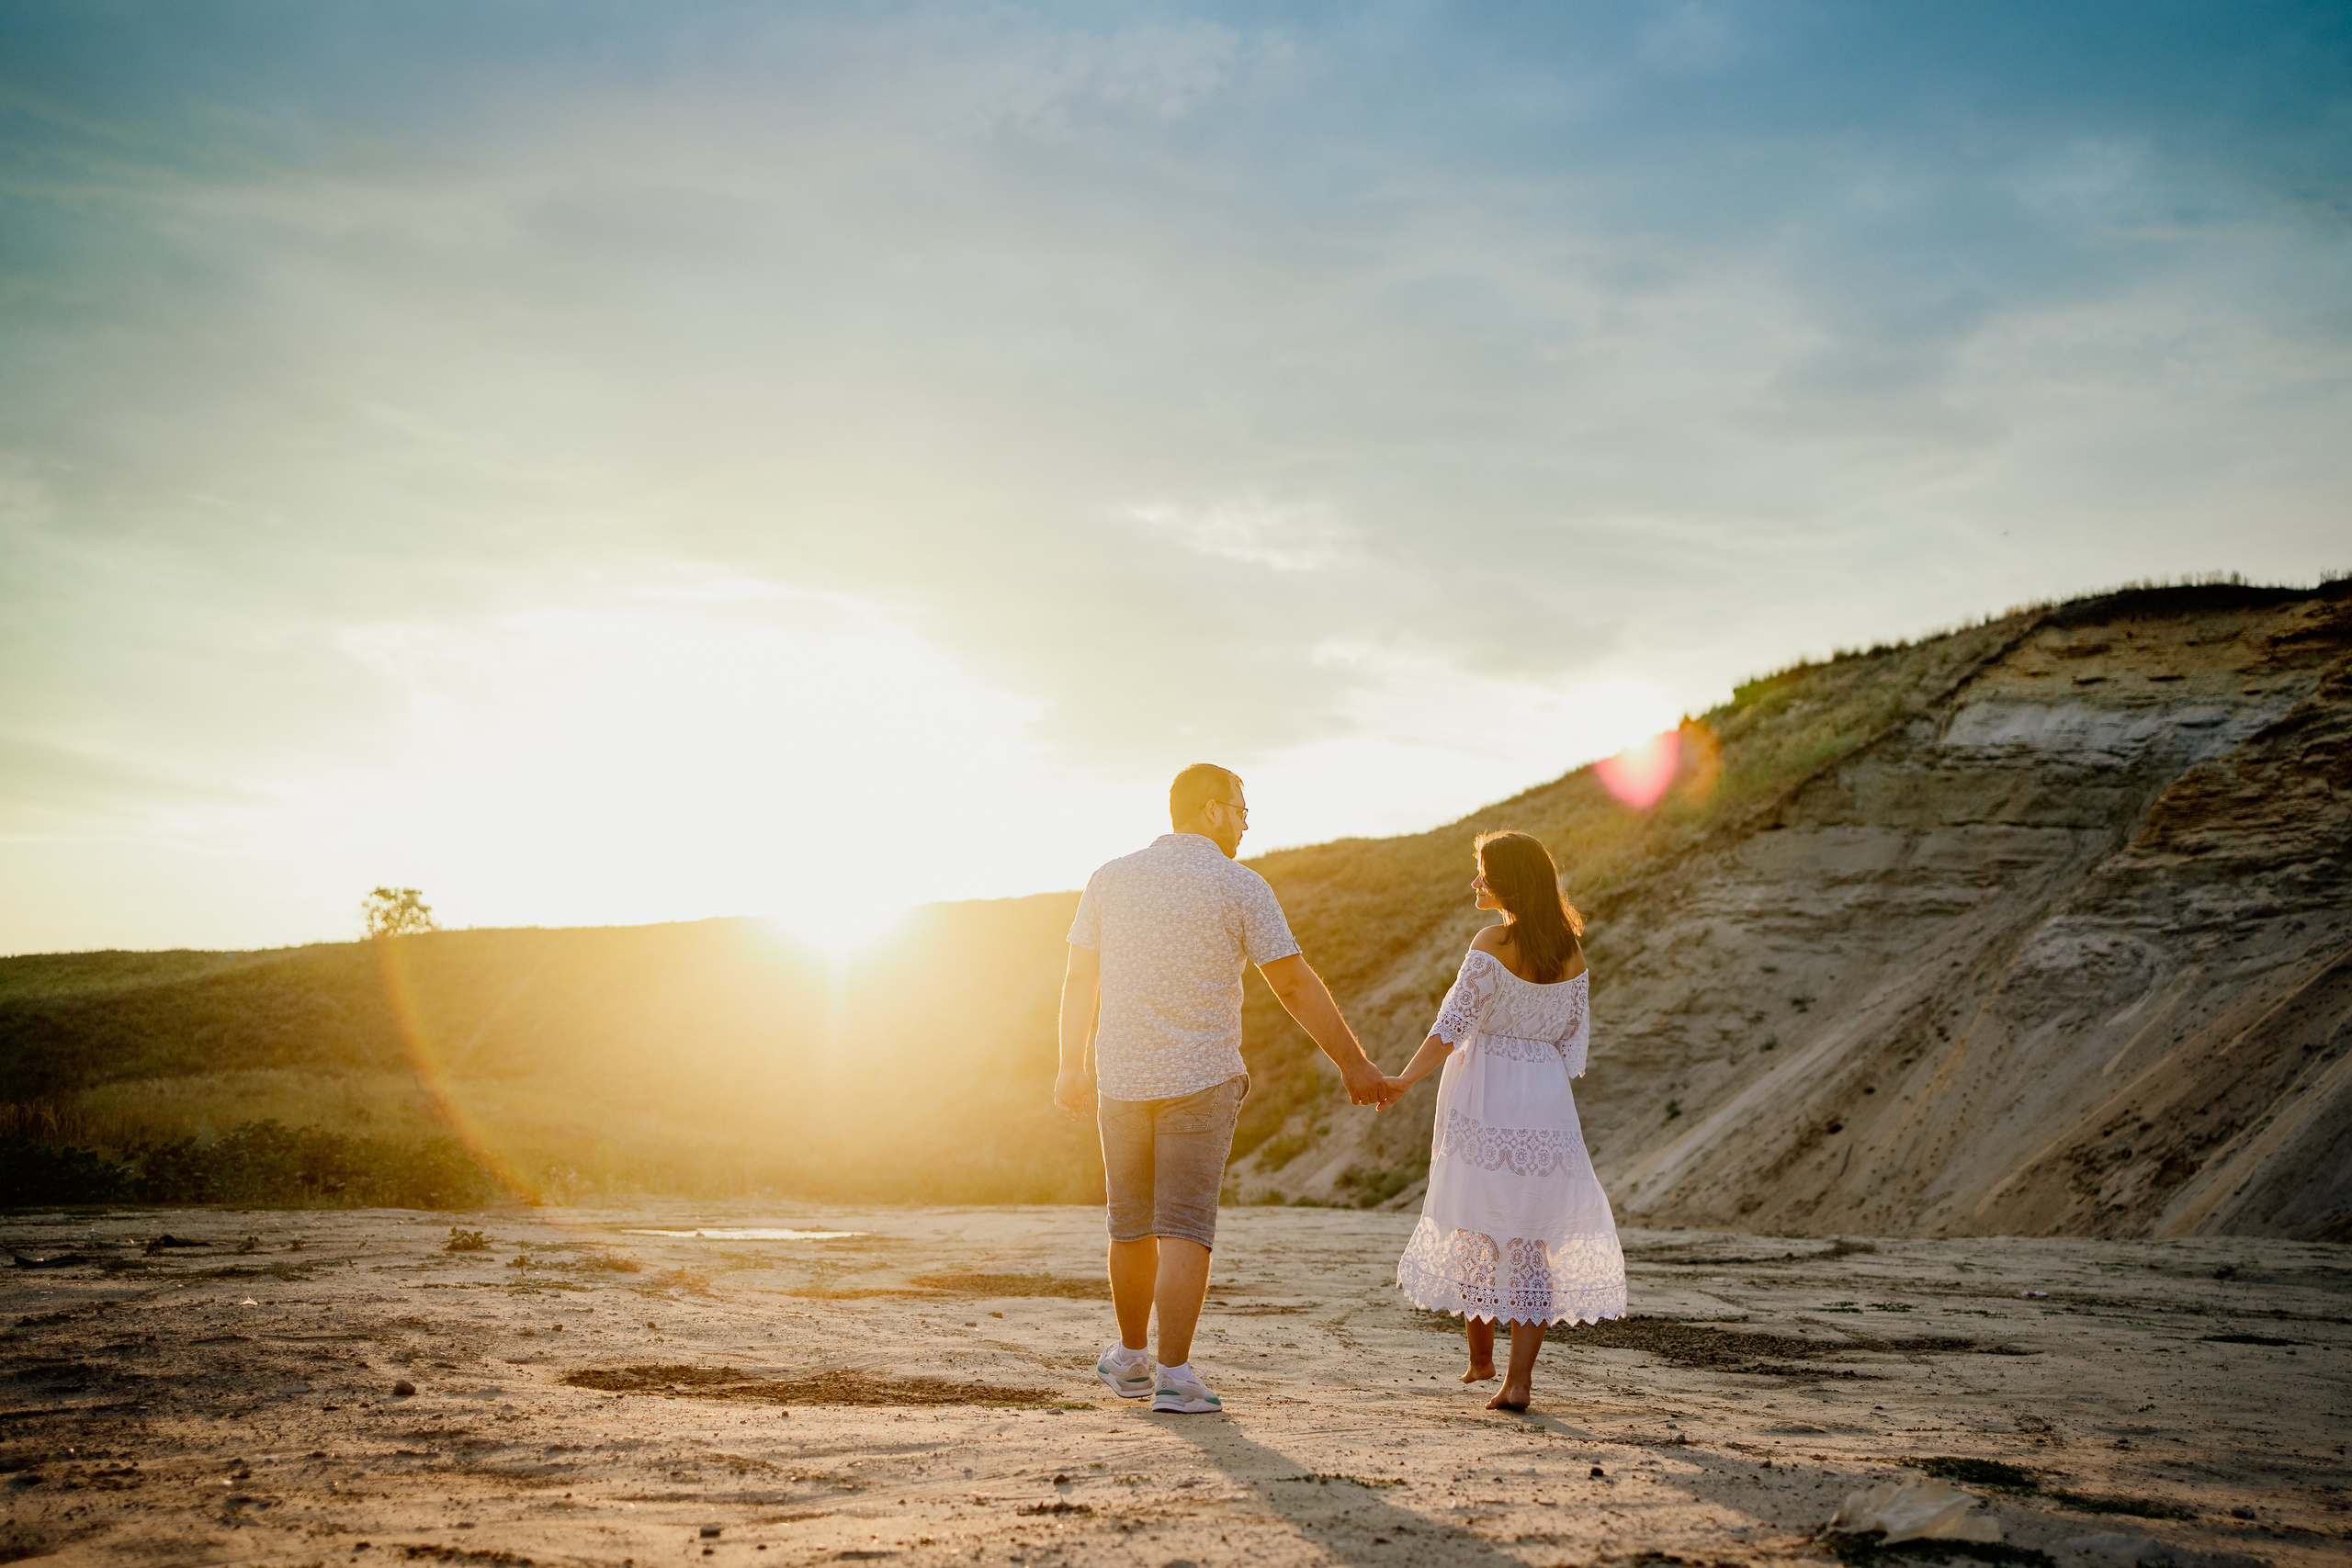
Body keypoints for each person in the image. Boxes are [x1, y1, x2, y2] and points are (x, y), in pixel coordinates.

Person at [1054, 762, 1390, 1415]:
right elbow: (1291, 984)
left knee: (1129, 1226)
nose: (1245, 822)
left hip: (1121, 1079)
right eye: (1240, 809)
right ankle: (1175, 1374)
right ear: (1210, 810)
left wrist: (1071, 1065)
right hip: (1200, 1079)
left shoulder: (1109, 878)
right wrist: (1353, 1063)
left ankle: (1129, 1359)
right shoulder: (1239, 885)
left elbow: (1078, 979)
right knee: (1183, 1226)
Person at [1382, 829, 1627, 1411]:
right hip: (1545, 1099)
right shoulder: (1570, 952)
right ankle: (1513, 1378)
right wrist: (1535, 1064)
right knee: (1532, 1235)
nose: (1476, 883)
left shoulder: (1491, 942)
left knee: (1476, 1221)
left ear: (1508, 882)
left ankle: (1482, 1359)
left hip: (1486, 1091)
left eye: (1484, 874)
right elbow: (1572, 1042)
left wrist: (1403, 1080)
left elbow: (1451, 1026)